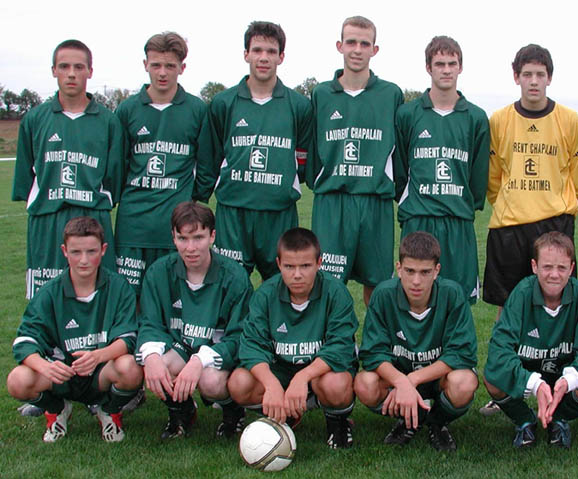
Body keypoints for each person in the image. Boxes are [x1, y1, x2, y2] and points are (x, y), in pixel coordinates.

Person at [480, 43, 578, 415]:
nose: (534, 81)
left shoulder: (570, 120)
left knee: (560, 305)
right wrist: (513, 203)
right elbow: (493, 177)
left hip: (554, 223)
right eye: (527, 74)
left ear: (550, 78)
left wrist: (555, 203)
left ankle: (562, 385)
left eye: (540, 74)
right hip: (509, 224)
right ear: (516, 77)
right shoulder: (499, 120)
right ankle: (508, 387)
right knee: (507, 306)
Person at [194, 21, 312, 280]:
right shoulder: (223, 103)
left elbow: (302, 161)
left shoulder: (299, 106)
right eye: (257, 50)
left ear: (281, 57)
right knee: (230, 285)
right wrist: (199, 197)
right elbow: (210, 159)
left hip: (279, 213)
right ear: (246, 54)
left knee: (282, 286)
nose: (263, 57)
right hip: (233, 213)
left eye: (271, 51)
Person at [7, 217, 141, 442]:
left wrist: (98, 356)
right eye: (76, 252)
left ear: (103, 250)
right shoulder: (49, 292)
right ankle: (57, 409)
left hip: (100, 373)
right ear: (64, 251)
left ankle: (109, 410)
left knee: (131, 368)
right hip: (61, 374)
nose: (84, 260)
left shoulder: (119, 287)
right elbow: (25, 341)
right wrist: (45, 366)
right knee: (17, 380)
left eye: (91, 251)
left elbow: (128, 338)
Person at [228, 228, 359, 449]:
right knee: (239, 383)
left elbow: (340, 346)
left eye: (305, 266)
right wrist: (271, 384)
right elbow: (252, 345)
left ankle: (337, 422)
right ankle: (284, 413)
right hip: (280, 370)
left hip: (319, 374)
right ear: (278, 264)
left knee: (336, 384)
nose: (297, 274)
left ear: (319, 263)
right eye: (289, 266)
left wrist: (303, 377)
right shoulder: (265, 294)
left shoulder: (336, 292)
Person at [12, 39, 124, 300]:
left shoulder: (109, 121)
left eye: (78, 67)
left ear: (90, 71)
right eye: (64, 66)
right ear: (54, 70)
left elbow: (114, 178)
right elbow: (26, 177)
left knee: (98, 295)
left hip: (93, 216)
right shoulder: (35, 119)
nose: (71, 74)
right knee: (46, 297)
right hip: (48, 219)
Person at [307, 15, 403, 306]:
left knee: (378, 285)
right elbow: (312, 150)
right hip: (332, 203)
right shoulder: (321, 94)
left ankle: (376, 335)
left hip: (375, 203)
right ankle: (333, 335)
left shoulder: (391, 94)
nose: (357, 50)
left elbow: (399, 152)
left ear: (375, 49)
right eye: (351, 42)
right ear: (340, 46)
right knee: (327, 284)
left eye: (364, 43)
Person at [137, 202, 252, 439]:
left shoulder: (234, 276)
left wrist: (200, 360)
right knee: (155, 363)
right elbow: (150, 323)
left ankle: (233, 411)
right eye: (183, 238)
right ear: (173, 237)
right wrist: (151, 356)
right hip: (180, 347)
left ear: (212, 236)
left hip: (216, 353)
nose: (191, 248)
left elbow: (240, 337)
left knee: (210, 381)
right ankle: (181, 410)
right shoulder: (159, 272)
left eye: (198, 237)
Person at [354, 232, 478, 451]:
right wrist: (401, 381)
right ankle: (412, 418)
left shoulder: (452, 294)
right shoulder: (383, 295)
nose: (416, 281)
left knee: (464, 382)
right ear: (399, 268)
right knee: (365, 383)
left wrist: (412, 380)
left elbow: (461, 353)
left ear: (436, 271)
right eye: (410, 271)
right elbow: (373, 353)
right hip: (398, 374)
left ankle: (436, 422)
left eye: (425, 272)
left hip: (438, 378)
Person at [484, 232, 578, 449]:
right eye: (547, 267)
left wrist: (568, 381)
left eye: (561, 268)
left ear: (571, 268)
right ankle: (525, 420)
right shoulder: (522, 293)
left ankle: (558, 419)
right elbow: (499, 352)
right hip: (528, 369)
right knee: (493, 378)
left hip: (564, 371)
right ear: (534, 266)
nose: (554, 275)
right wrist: (534, 383)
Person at [394, 35, 489, 304]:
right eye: (439, 64)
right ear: (428, 67)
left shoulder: (476, 117)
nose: (446, 70)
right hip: (418, 219)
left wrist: (462, 203)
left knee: (457, 300)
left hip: (457, 221)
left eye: (452, 63)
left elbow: (478, 177)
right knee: (414, 298)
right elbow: (400, 170)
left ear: (460, 67)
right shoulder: (408, 114)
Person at [114, 32, 208, 294]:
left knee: (173, 299)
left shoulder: (197, 110)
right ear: (145, 65)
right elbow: (118, 167)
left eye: (170, 65)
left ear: (182, 68)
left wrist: (188, 201)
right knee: (129, 298)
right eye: (156, 65)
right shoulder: (127, 110)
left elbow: (206, 167)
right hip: (133, 225)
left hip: (177, 225)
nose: (162, 72)